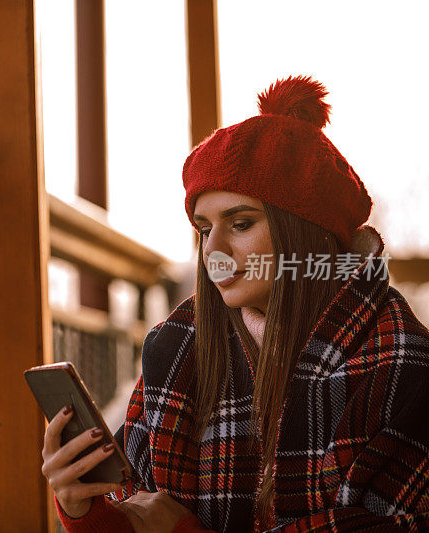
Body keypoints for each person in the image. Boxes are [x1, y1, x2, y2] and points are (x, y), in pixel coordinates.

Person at [40, 76, 429, 532]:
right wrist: (86, 509)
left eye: (240, 224)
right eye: (204, 229)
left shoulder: (403, 367)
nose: (213, 250)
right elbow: (137, 517)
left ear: (304, 233)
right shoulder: (175, 348)